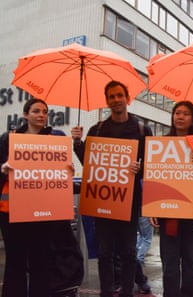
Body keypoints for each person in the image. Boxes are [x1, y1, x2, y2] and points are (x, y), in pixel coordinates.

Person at [71, 80, 153, 297]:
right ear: (107, 101)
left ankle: (127, 292)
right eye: (111, 97)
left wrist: (140, 167)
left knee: (128, 251)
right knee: (105, 253)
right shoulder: (97, 130)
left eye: (119, 95)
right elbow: (89, 163)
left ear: (127, 98)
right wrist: (77, 144)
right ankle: (106, 292)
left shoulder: (142, 130)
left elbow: (151, 165)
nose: (116, 100)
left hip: (130, 200)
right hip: (102, 200)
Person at [0, 98, 84, 297]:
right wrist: (3, 169)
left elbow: (59, 174)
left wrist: (68, 170)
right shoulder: (8, 138)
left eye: (44, 112)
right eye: (36, 111)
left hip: (43, 212)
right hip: (13, 209)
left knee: (41, 260)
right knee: (15, 261)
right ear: (26, 114)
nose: (41, 115)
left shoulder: (56, 139)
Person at [150, 100, 193, 297]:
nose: (180, 117)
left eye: (185, 114)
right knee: (169, 267)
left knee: (191, 267)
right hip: (169, 215)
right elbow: (155, 178)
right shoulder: (162, 145)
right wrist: (152, 208)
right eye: (177, 113)